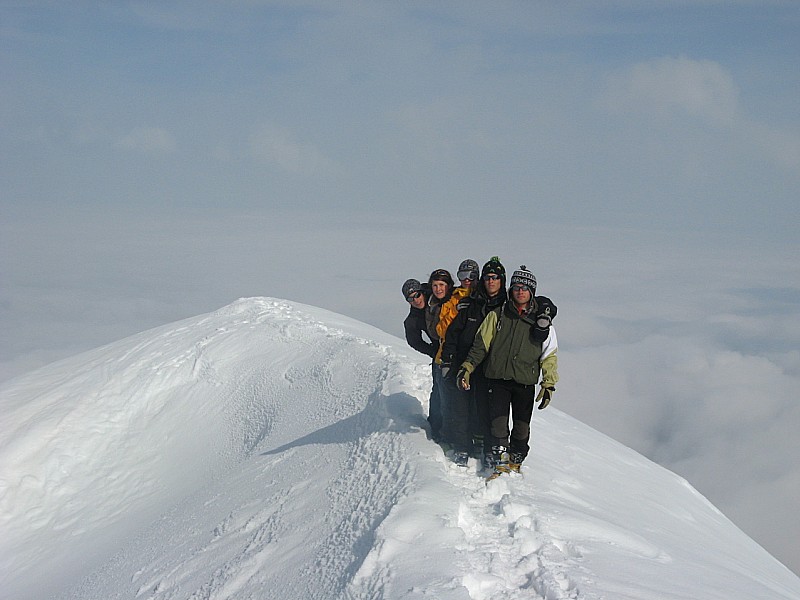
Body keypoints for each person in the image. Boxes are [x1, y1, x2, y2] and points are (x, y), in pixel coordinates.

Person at [457, 265, 559, 475]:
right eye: (516, 287)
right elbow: (481, 345)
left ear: (532, 291)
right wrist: (468, 367)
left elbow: (549, 355)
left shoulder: (542, 322)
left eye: (525, 287)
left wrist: (549, 383)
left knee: (522, 427)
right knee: (498, 425)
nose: (520, 291)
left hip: (524, 382)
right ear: (511, 290)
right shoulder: (498, 315)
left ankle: (517, 457)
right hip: (497, 379)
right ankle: (498, 460)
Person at [441, 257, 507, 468]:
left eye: (495, 278)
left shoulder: (507, 305)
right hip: (464, 363)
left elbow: (536, 302)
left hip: (491, 367)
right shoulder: (471, 304)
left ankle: (486, 448)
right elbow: (453, 333)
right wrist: (448, 360)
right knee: (461, 407)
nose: (490, 281)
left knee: (485, 410)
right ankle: (462, 446)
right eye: (487, 277)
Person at [425, 267, 469, 455]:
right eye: (435, 285)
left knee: (451, 399)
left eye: (442, 285)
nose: (438, 289)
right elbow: (435, 332)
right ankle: (439, 431)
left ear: (448, 285)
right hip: (441, 357)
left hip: (455, 356)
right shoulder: (432, 304)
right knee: (441, 396)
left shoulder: (456, 299)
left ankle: (448, 433)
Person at [401, 278, 441, 441]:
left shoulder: (437, 296)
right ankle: (437, 428)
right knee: (438, 390)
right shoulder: (413, 319)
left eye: (417, 295)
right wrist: (433, 351)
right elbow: (414, 341)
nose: (416, 300)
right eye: (410, 298)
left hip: (458, 346)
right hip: (439, 352)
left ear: (422, 292)